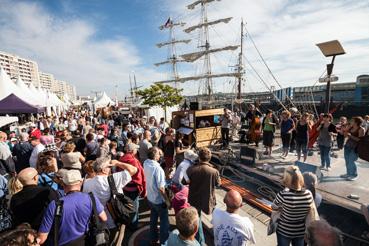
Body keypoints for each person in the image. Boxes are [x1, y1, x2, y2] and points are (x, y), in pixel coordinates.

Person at [38, 169, 108, 245]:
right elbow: (104, 218)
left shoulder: (55, 205)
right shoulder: (91, 198)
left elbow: (42, 238)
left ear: (63, 184)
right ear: (81, 183)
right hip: (86, 242)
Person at [82, 157, 137, 236]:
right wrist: (118, 163)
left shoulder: (87, 183)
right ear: (104, 170)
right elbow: (133, 169)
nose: (111, 168)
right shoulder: (113, 179)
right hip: (115, 219)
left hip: (98, 222)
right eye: (110, 166)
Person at [272, 165, 314, 246]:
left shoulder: (283, 195)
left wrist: (281, 208)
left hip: (284, 230)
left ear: (287, 179)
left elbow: (274, 207)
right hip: (300, 231)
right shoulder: (309, 194)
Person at [187, 147, 221, 245]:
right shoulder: (214, 171)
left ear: (199, 157)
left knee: (198, 219)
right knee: (215, 215)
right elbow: (218, 184)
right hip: (208, 199)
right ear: (209, 158)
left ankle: (201, 242)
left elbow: (184, 181)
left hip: (194, 198)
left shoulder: (191, 169)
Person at [143, 147, 170, 245]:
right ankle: (164, 243)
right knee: (164, 223)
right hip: (159, 200)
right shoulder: (158, 169)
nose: (160, 155)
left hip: (150, 197)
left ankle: (153, 238)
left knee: (153, 219)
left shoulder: (146, 163)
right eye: (159, 154)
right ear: (155, 155)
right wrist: (167, 201)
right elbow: (161, 188)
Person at [119, 143, 146, 229]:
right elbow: (140, 176)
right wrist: (144, 189)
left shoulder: (121, 158)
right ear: (132, 151)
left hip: (125, 186)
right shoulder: (134, 161)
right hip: (133, 188)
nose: (136, 150)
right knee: (134, 208)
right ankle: (133, 225)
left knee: (127, 205)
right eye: (135, 149)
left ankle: (129, 223)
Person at [341, 116, 365, 181]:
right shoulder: (351, 127)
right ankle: (348, 173)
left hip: (355, 148)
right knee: (347, 161)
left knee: (351, 161)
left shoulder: (361, 129)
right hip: (347, 146)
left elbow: (360, 140)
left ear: (356, 122)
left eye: (352, 120)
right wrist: (345, 131)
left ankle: (354, 175)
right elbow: (345, 136)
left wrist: (350, 136)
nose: (350, 121)